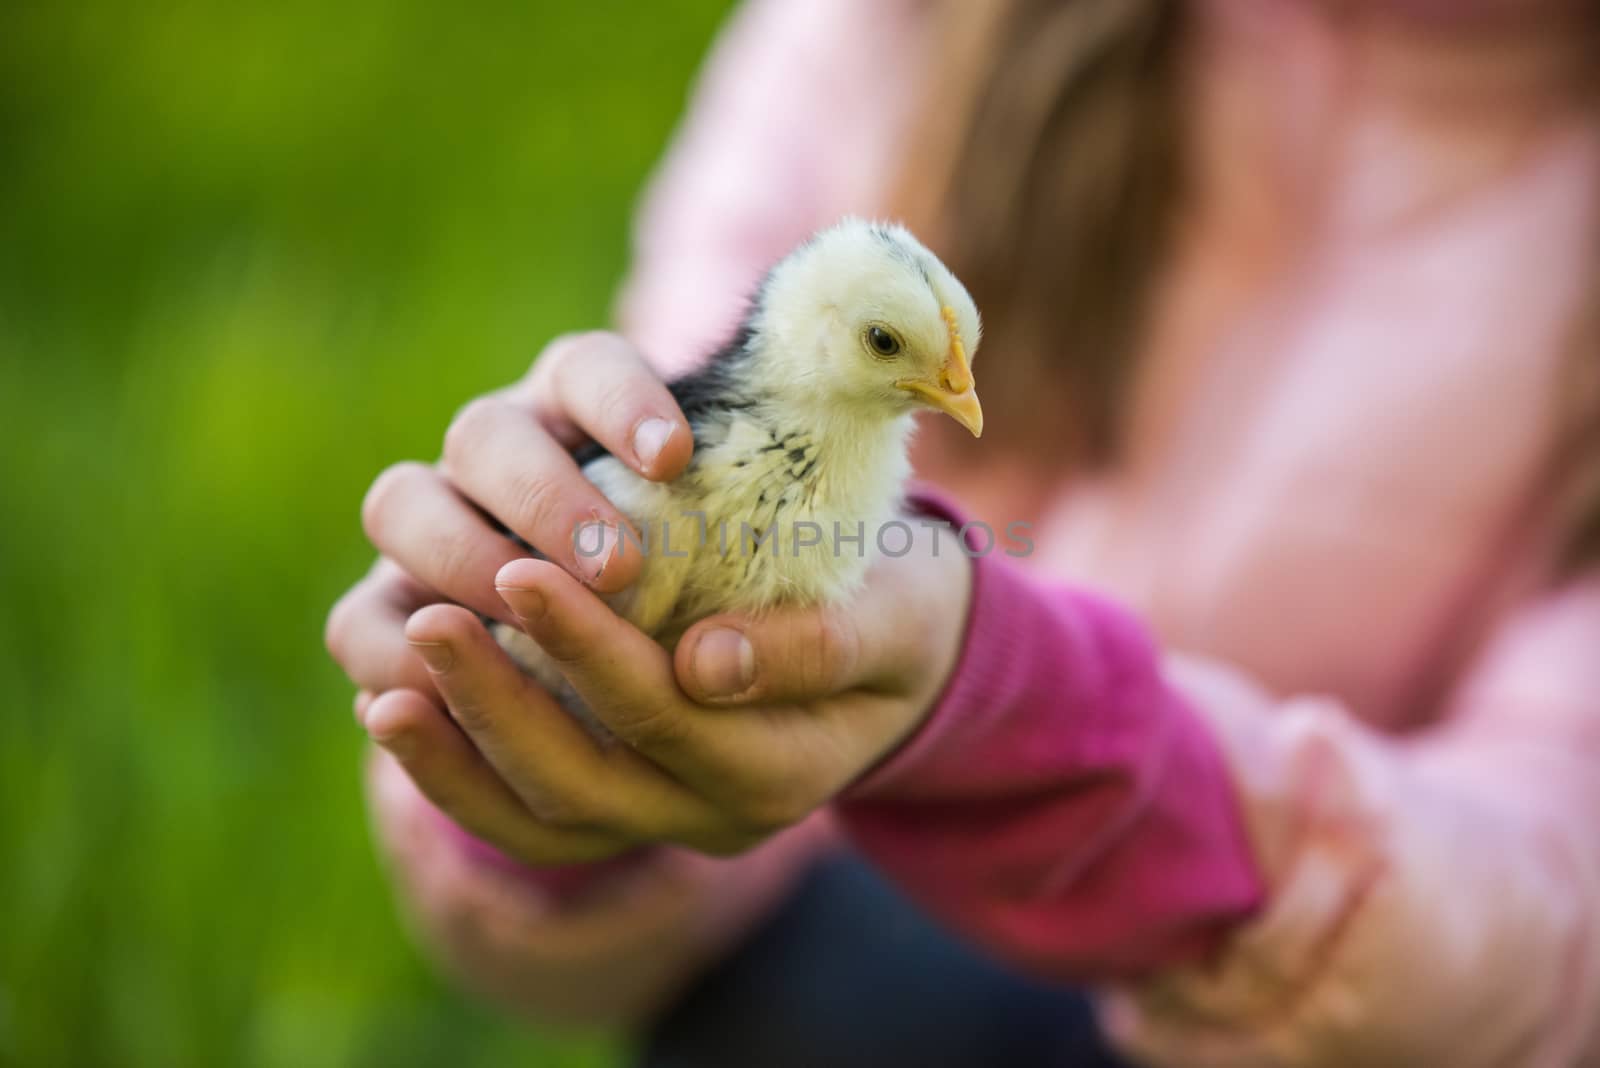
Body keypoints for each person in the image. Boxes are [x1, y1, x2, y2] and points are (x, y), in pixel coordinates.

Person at [324, 0, 1600, 1064]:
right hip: (814, 932)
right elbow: (654, 472)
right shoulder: (886, 31)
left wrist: (1024, 720)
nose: (951, 395)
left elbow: (1561, 912)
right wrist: (548, 747)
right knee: (846, 991)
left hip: (1293, 1007)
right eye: (897, 353)